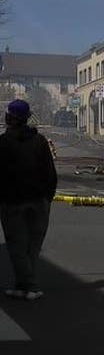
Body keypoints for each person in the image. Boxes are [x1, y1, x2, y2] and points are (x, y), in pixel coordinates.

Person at [0, 100, 57, 300]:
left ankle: (29, 287)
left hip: (12, 202)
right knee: (32, 247)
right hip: (39, 201)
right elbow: (50, 173)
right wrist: (48, 198)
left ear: (9, 118)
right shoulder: (39, 141)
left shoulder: (3, 143)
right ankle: (22, 286)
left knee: (16, 246)